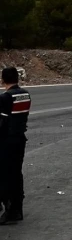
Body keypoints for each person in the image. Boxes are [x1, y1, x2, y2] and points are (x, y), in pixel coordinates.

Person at [0, 67, 31, 225]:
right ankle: (17, 209)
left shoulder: (5, 97)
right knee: (16, 174)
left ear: (3, 79)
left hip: (6, 141)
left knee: (4, 175)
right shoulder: (25, 94)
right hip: (20, 139)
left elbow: (2, 123)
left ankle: (10, 209)